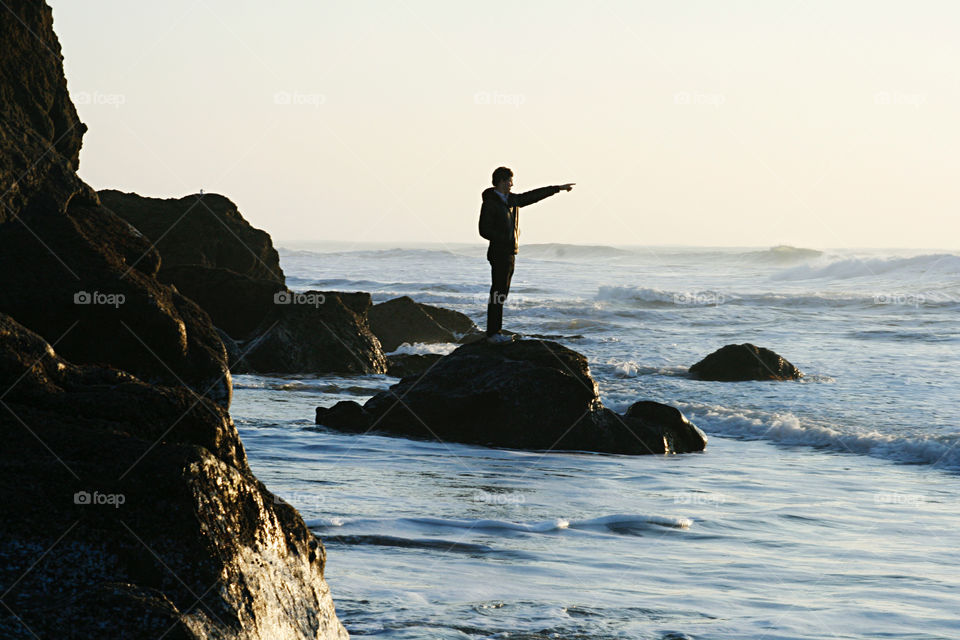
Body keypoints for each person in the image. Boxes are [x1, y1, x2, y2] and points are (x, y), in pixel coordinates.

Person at [478, 166, 574, 343]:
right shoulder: (491, 203)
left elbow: (532, 196)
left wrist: (557, 189)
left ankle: (495, 332)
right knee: (498, 292)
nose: (512, 184)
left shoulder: (511, 200)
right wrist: (503, 238)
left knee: (502, 293)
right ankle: (493, 334)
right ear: (501, 181)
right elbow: (483, 230)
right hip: (499, 252)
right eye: (509, 181)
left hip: (509, 252)